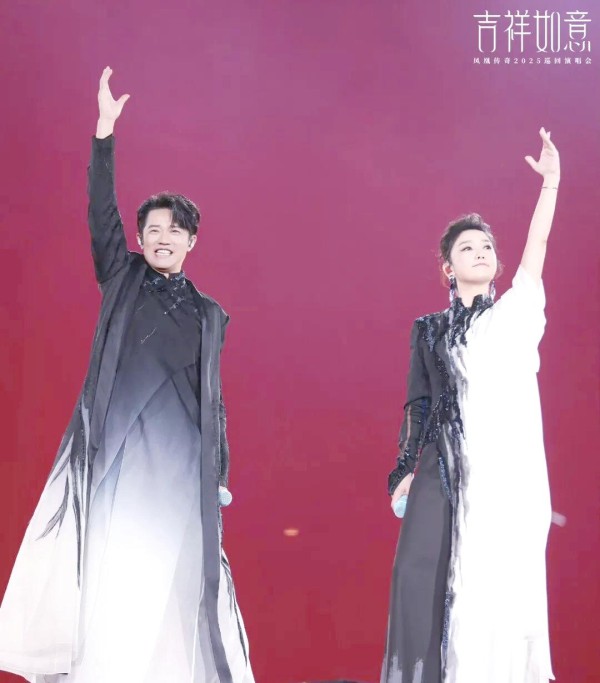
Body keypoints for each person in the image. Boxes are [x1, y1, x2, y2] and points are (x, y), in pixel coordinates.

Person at [0, 67, 254, 683]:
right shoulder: (123, 277)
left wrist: (218, 472)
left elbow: (213, 399)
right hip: (116, 452)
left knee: (170, 577)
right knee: (110, 567)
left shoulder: (210, 314)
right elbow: (100, 211)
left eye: (175, 230)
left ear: (192, 241)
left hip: (179, 464)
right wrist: (104, 133)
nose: (163, 238)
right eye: (153, 230)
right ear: (139, 239)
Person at [381, 128, 560, 683]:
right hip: (443, 464)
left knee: (491, 588)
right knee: (421, 579)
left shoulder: (514, 314)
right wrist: (405, 467)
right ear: (447, 266)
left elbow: (538, 246)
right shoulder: (429, 329)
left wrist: (551, 184)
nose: (480, 252)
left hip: (503, 475)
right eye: (467, 248)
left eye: (486, 247)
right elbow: (419, 400)